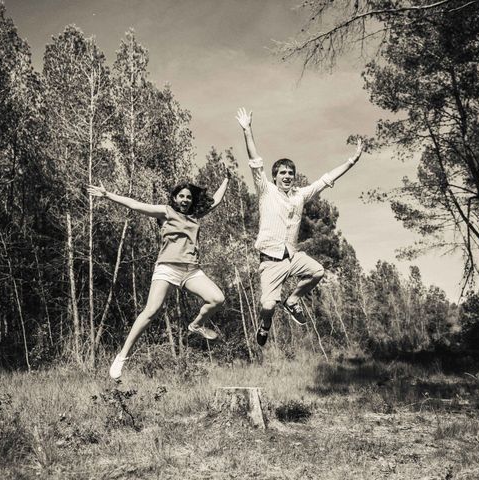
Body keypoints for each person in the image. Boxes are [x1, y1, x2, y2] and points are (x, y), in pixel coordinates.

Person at [87, 163, 233, 380]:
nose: (185, 200)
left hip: (192, 270)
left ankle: (197, 324)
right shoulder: (166, 212)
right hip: (167, 268)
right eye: (181, 196)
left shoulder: (195, 217)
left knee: (217, 298)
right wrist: (107, 195)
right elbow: (135, 205)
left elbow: (217, 200)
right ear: (175, 198)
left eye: (189, 197)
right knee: (151, 311)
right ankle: (122, 355)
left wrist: (227, 180)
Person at [235, 107, 363, 346]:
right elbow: (255, 162)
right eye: (282, 172)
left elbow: (326, 180)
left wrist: (351, 161)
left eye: (291, 173)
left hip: (292, 256)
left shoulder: (300, 195)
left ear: (294, 176)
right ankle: (265, 324)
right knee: (267, 305)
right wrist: (247, 130)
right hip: (270, 261)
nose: (287, 176)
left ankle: (292, 301)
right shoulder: (266, 191)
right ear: (275, 177)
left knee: (318, 271)